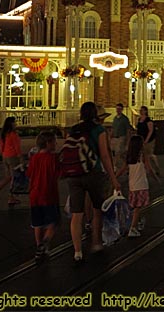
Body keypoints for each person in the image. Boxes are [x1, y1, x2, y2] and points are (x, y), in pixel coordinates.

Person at [66, 101, 120, 265]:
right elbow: (104, 156)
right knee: (97, 210)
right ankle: (96, 242)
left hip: (74, 174)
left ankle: (77, 252)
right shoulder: (99, 130)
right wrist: (114, 178)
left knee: (77, 214)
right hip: (93, 174)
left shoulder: (73, 129)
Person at [27, 130, 61, 263]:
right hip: (49, 194)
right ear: (48, 143)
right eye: (54, 142)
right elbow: (57, 174)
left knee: (37, 223)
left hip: (35, 194)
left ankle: (38, 246)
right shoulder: (52, 158)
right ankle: (44, 243)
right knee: (53, 222)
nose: (56, 144)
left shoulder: (34, 158)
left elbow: (29, 174)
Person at [116, 134, 159, 238]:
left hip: (132, 185)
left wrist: (114, 176)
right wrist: (156, 178)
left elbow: (122, 169)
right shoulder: (143, 155)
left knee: (135, 206)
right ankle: (133, 228)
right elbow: (149, 169)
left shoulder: (129, 156)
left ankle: (137, 223)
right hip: (141, 184)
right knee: (137, 207)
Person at [0, 116, 23, 206]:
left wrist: (3, 153)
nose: (16, 124)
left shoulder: (3, 134)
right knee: (14, 177)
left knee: (8, 177)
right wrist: (20, 158)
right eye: (14, 122)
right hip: (12, 157)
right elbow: (17, 147)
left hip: (5, 156)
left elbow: (1, 146)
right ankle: (11, 197)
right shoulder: (13, 134)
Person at [136, 105, 160, 176]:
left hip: (149, 140)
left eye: (142, 110)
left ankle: (156, 168)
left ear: (145, 111)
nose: (141, 111)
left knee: (150, 154)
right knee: (143, 155)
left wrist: (146, 140)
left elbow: (150, 131)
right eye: (140, 110)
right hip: (141, 139)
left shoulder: (148, 120)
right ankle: (146, 169)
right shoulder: (139, 119)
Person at [110, 103, 133, 170]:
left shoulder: (124, 119)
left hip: (121, 137)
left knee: (118, 152)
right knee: (118, 153)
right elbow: (113, 128)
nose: (118, 110)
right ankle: (127, 165)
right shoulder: (115, 118)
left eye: (119, 109)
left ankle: (115, 166)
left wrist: (128, 140)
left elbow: (128, 130)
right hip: (114, 137)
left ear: (122, 109)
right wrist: (110, 137)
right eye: (117, 109)